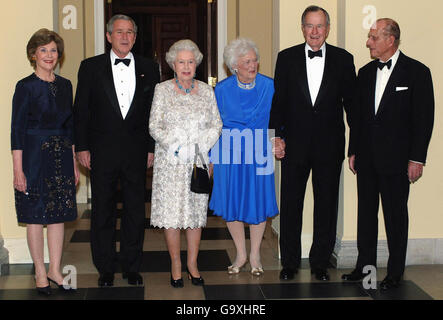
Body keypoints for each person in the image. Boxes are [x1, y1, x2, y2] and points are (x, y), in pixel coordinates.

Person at [342, 18, 434, 290]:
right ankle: (365, 266)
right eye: (370, 37)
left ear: (390, 40)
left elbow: (424, 119)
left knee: (395, 217)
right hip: (367, 158)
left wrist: (417, 158)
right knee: (366, 215)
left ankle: (395, 272)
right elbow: (357, 117)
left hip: (397, 161)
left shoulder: (417, 72)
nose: (368, 42)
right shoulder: (366, 72)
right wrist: (354, 150)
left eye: (373, 37)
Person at [270, 5, 356, 281]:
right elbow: (279, 101)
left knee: (326, 205)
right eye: (310, 25)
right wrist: (276, 137)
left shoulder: (344, 59)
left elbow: (352, 108)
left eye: (320, 26)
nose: (315, 32)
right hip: (294, 145)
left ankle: (320, 263)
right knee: (291, 204)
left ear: (328, 29)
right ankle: (290, 263)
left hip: (330, 147)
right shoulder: (286, 58)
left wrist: (355, 147)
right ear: (302, 28)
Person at [74, 14, 160, 287]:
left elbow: (152, 114)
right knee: (103, 210)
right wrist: (82, 147)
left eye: (130, 32)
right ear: (109, 36)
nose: (125, 37)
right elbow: (81, 112)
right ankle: (106, 268)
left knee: (136, 210)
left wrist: (151, 147)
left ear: (135, 37)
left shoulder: (150, 67)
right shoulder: (90, 67)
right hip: (101, 150)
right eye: (120, 32)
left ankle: (132, 266)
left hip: (137, 151)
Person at [149, 39, 222, 288]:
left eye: (191, 61)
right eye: (181, 62)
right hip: (170, 162)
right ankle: (176, 265)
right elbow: (154, 126)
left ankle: (192, 263)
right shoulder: (162, 89)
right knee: (172, 216)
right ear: (172, 64)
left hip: (198, 161)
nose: (186, 66)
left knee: (194, 214)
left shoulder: (207, 90)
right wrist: (179, 147)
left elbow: (217, 124)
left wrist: (201, 147)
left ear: (197, 63)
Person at [11, 28, 78, 295]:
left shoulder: (65, 85)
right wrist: (18, 169)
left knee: (59, 214)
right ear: (33, 54)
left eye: (53, 50)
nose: (49, 55)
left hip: (61, 155)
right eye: (43, 50)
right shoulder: (25, 86)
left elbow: (70, 127)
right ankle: (40, 271)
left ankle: (55, 269)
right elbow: (16, 130)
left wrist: (73, 162)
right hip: (33, 157)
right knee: (35, 216)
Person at [209, 38, 279, 276]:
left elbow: (278, 120)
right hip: (228, 153)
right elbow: (214, 125)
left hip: (259, 151)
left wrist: (277, 140)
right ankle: (240, 253)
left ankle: (256, 253)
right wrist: (210, 156)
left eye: (255, 60)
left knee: (258, 202)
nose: (253, 65)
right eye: (247, 61)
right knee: (232, 203)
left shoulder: (270, 86)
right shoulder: (222, 89)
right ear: (234, 66)